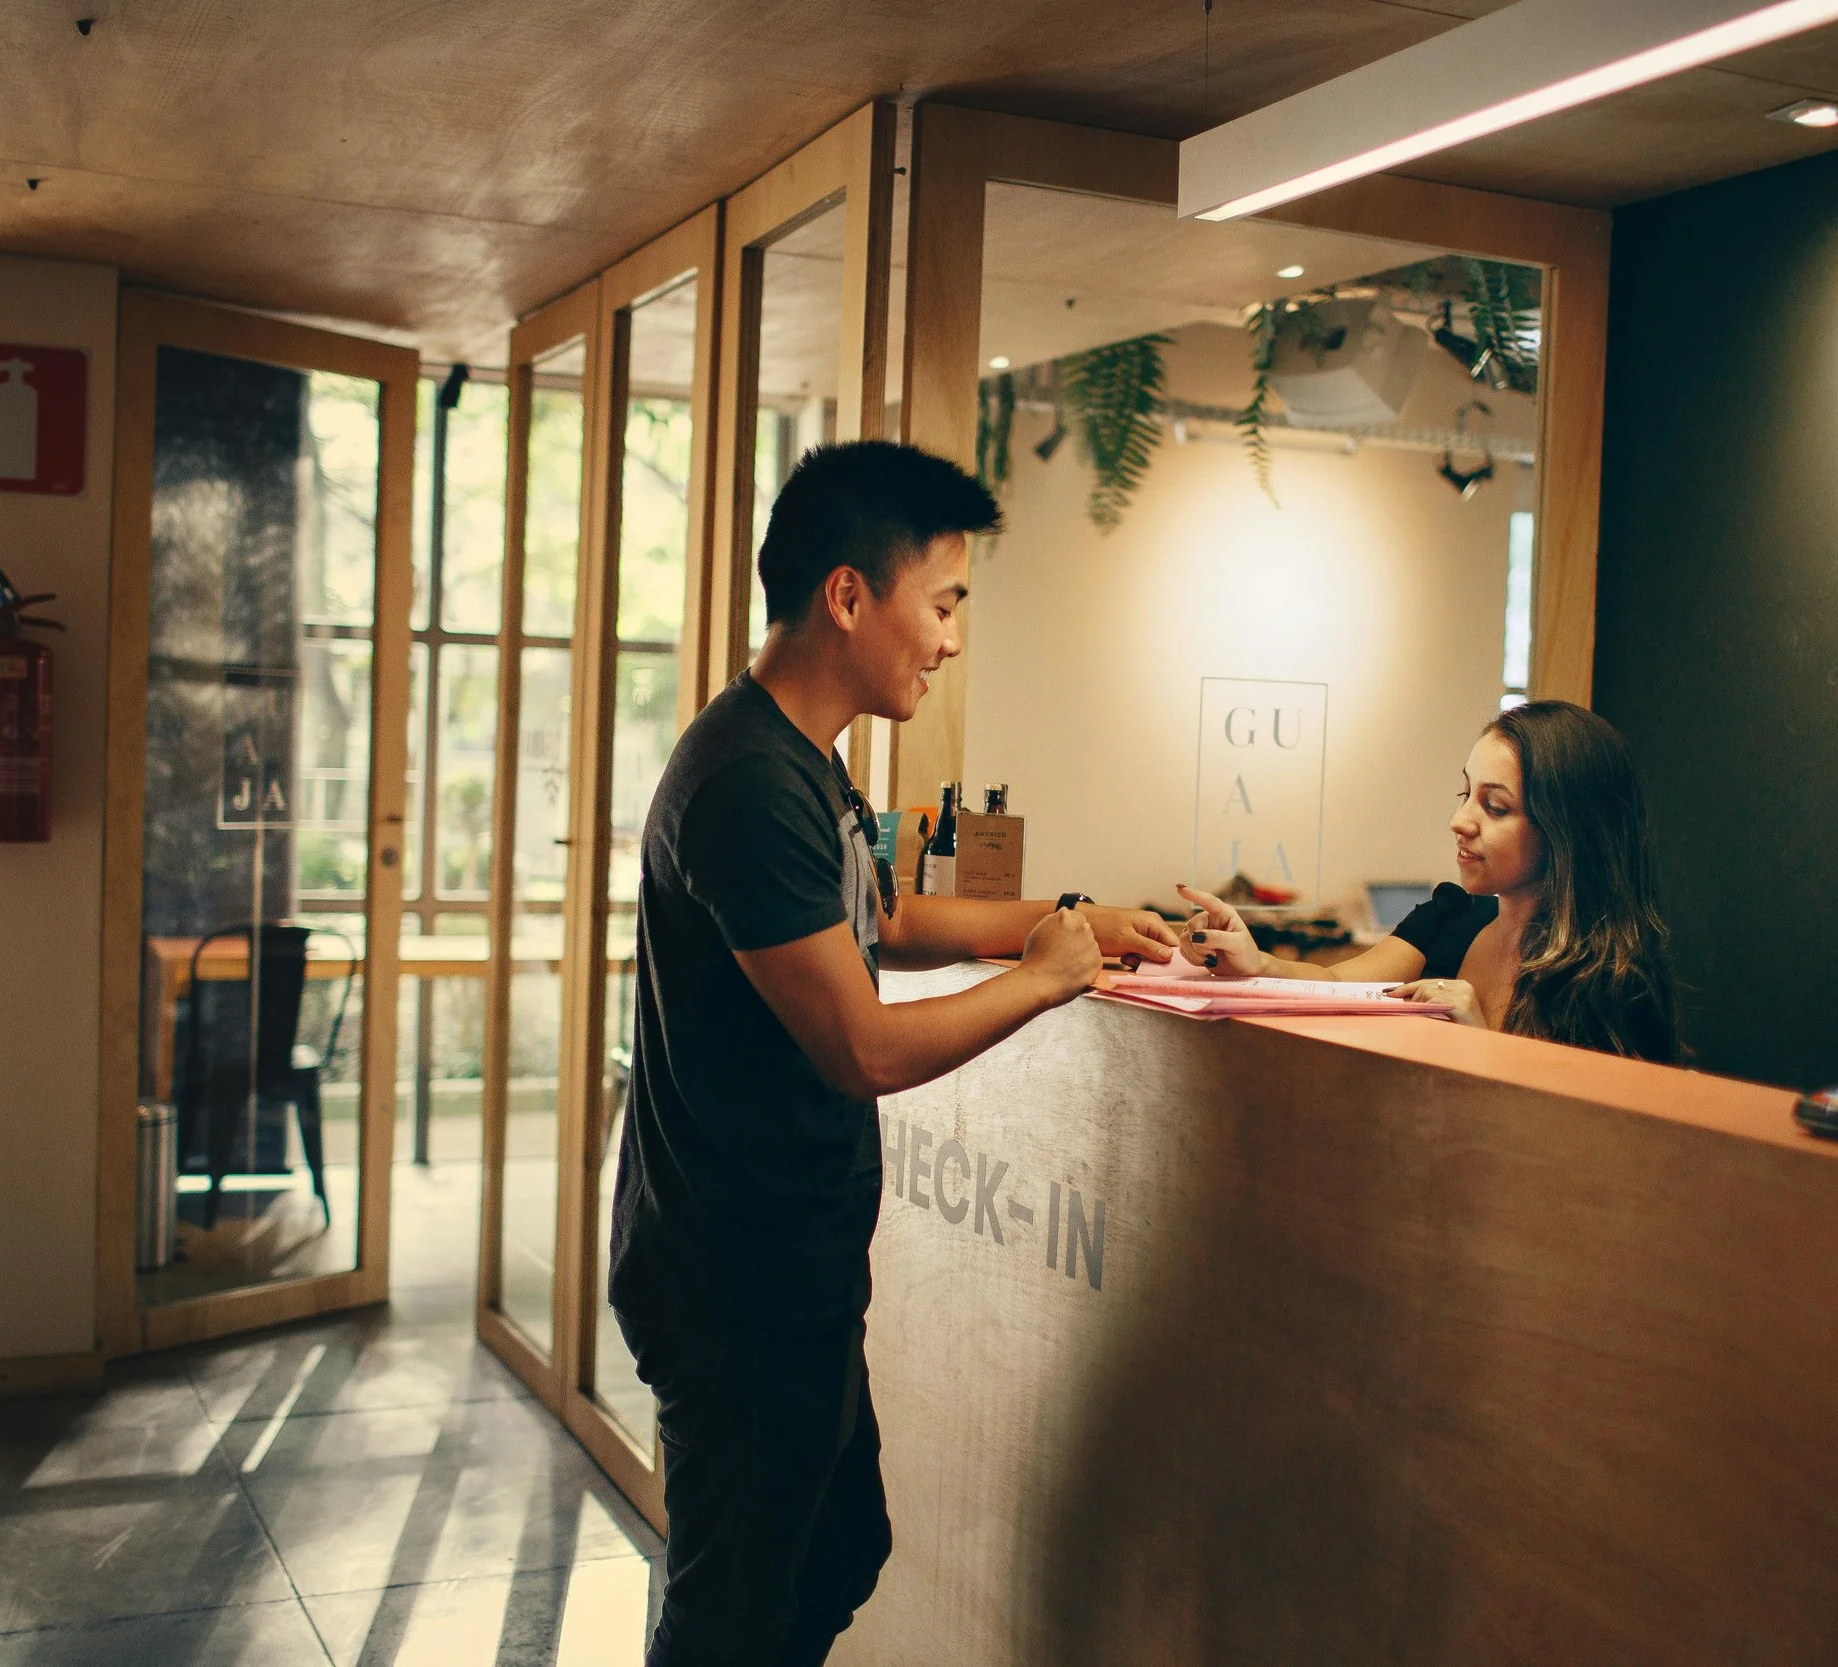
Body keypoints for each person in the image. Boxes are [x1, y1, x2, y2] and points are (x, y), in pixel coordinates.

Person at [610, 439, 1179, 1667]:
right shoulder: (748, 781)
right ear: (849, 596)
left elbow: (892, 919)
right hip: (734, 1271)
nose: (951, 637)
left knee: (834, 1548)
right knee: (734, 1615)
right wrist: (1040, 980)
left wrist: (1063, 919)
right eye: (944, 601)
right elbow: (858, 1045)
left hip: (784, 1258)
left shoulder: (803, 763)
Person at [1176, 700, 1681, 1063]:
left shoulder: (1613, 981)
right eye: (1464, 794)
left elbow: (1593, 1147)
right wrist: (1254, 960)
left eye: (1495, 806)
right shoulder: (1451, 916)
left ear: (1567, 829)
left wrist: (1483, 1043)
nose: (1460, 821)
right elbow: (1334, 986)